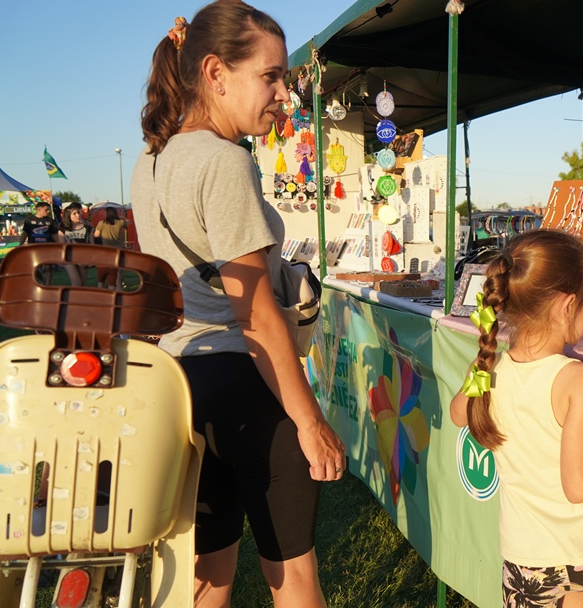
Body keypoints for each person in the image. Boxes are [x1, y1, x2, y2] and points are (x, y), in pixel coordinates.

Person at [131, 3, 346, 607]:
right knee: (295, 580)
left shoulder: (151, 157)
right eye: (271, 76)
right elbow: (253, 316)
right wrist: (311, 423)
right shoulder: (224, 160)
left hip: (178, 384)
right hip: (243, 381)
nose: (283, 93)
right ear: (216, 73)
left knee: (205, 577)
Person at [450, 229, 583, 608]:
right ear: (567, 307)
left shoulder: (491, 365)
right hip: (578, 552)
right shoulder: (580, 380)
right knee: (574, 591)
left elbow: (456, 414)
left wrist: (479, 373)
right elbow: (577, 487)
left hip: (523, 554)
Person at [19, 201, 64, 283]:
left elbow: (55, 234)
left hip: (48, 247)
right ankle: (42, 280)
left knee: (48, 268)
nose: (48, 211)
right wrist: (20, 244)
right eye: (46, 210)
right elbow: (24, 233)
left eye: (48, 210)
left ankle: (47, 286)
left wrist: (58, 246)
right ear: (39, 210)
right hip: (33, 248)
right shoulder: (29, 220)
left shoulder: (51, 221)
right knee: (33, 268)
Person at [93, 206, 128, 289]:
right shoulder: (120, 222)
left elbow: (96, 235)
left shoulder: (101, 223)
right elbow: (129, 222)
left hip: (107, 250)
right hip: (120, 249)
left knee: (110, 270)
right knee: (119, 270)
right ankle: (119, 288)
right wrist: (122, 217)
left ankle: (109, 286)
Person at [60, 203, 94, 286]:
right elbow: (61, 245)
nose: (77, 215)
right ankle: (73, 298)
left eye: (78, 213)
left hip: (84, 257)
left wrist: (91, 259)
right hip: (69, 257)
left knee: (82, 282)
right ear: (68, 215)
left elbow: (92, 245)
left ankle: (81, 298)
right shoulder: (62, 228)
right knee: (76, 281)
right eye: (74, 214)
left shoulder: (87, 228)